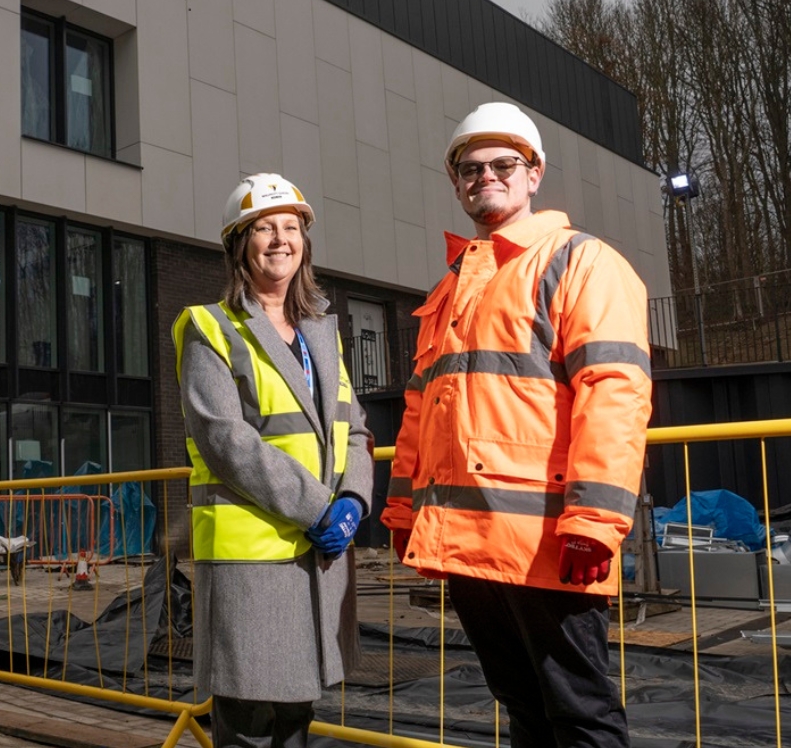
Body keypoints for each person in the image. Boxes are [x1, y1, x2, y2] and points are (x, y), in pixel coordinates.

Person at [381, 103, 652, 748]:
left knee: (580, 717)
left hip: (549, 546)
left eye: (504, 164)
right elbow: (423, 410)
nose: (486, 177)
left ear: (535, 175)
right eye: (470, 169)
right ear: (456, 185)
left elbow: (614, 394)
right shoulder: (455, 286)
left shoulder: (581, 262)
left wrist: (593, 523)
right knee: (526, 710)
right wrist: (400, 510)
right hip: (471, 546)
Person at [174, 173, 375, 748]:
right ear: (240, 243)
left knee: (296, 726)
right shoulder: (210, 328)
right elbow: (226, 441)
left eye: (292, 227)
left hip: (316, 560)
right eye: (265, 227)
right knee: (249, 729)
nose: (280, 239)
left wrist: (354, 504)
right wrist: (318, 507)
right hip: (255, 563)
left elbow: (354, 427)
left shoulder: (320, 335)